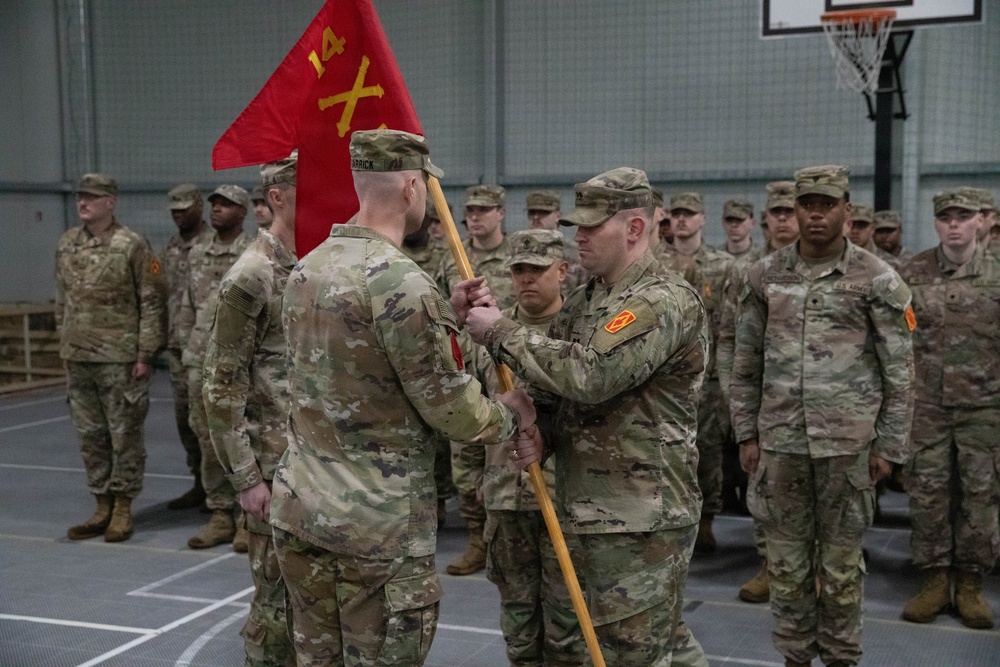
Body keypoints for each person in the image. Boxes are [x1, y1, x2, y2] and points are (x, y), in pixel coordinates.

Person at [269, 129, 534, 666]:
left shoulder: (308, 265)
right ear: (413, 188)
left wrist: (447, 321)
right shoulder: (401, 282)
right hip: (375, 528)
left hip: (302, 510)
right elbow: (450, 408)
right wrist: (510, 417)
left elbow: (363, 362)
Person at [460, 167, 708, 666]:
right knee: (644, 647)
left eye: (593, 226)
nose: (580, 237)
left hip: (640, 519)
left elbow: (592, 378)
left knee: (636, 655)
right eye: (578, 226)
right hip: (590, 510)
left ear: (635, 228)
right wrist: (541, 432)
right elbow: (561, 399)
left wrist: (501, 333)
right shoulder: (585, 302)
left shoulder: (659, 301)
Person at [731, 165, 915, 667]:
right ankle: (794, 657)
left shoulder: (875, 279)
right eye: (806, 204)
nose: (815, 214)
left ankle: (840, 658)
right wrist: (746, 433)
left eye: (826, 204)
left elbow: (899, 372)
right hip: (781, 446)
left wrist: (889, 447)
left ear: (845, 211)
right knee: (786, 566)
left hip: (848, 449)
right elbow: (745, 364)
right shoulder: (764, 276)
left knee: (839, 568)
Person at [461, 229, 586, 666]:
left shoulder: (578, 333)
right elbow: (468, 408)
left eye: (538, 269)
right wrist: (472, 478)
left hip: (564, 497)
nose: (527, 279)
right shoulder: (486, 333)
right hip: (504, 496)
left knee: (567, 624)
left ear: (563, 271)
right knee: (517, 621)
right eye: (519, 270)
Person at [202, 154, 298, 666]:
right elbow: (220, 385)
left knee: (315, 614)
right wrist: (245, 478)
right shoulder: (253, 273)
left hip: (320, 470)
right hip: (273, 471)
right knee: (276, 612)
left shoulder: (321, 265)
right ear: (277, 197)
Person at [899, 188, 999, 630]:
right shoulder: (912, 273)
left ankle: (972, 583)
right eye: (946, 217)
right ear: (936, 223)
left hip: (986, 408)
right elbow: (897, 336)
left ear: (982, 221)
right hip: (927, 406)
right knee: (928, 494)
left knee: (980, 497)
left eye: (964, 216)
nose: (954, 224)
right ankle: (935, 580)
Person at [57, 173, 167, 543]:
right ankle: (101, 503)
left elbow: (151, 301)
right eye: (80, 197)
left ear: (111, 203)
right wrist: (64, 345)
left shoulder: (131, 244)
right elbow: (63, 300)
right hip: (78, 356)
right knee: (90, 435)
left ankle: (122, 505)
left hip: (119, 358)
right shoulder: (67, 244)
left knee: (124, 435)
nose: (83, 203)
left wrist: (145, 353)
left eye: (91, 197)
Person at [717, 180, 800, 605]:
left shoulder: (823, 267)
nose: (784, 219)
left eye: (790, 211)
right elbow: (729, 339)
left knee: (817, 494)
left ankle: (816, 572)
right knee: (765, 490)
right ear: (765, 218)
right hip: (766, 402)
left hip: (819, 406)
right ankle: (772, 565)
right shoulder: (747, 271)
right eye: (777, 212)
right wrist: (737, 405)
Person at [439, 184, 517, 576]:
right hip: (463, 371)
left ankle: (501, 537)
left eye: (484, 209)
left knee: (505, 457)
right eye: (471, 209)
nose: (475, 216)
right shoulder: (449, 256)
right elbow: (438, 312)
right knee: (464, 458)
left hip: (502, 368)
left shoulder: (515, 258)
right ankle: (476, 539)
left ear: (501, 213)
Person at [180, 184, 252, 550]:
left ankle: (247, 516)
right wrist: (184, 352)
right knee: (206, 438)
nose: (218, 210)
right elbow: (188, 306)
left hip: (238, 363)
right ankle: (220, 513)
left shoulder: (254, 253)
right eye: (214, 204)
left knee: (242, 437)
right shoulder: (197, 253)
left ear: (244, 212)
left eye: (227, 204)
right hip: (199, 357)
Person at [662, 191, 734, 553]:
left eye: (689, 214)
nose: (681, 220)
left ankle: (706, 519)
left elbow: (730, 325)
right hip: (663, 378)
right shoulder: (657, 262)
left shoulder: (722, 266)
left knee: (706, 452)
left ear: (703, 219)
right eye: (676, 214)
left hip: (709, 377)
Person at [401, 198, 456, 525]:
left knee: (441, 438)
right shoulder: (391, 253)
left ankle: (439, 501)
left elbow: (452, 302)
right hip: (400, 353)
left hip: (436, 354)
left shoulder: (444, 257)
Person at [162, 183, 212, 510]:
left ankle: (223, 493)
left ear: (199, 206)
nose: (180, 215)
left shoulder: (214, 244)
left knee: (211, 423)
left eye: (185, 208)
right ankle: (200, 483)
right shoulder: (170, 248)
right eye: (174, 210)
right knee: (186, 421)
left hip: (207, 347)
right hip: (178, 348)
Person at [527, 189, 587, 292]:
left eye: (543, 212)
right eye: (532, 212)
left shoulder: (576, 254)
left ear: (558, 216)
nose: (536, 217)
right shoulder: (520, 252)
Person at [846, 204, 900, 268]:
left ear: (872, 229)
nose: (855, 231)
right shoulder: (835, 260)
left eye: (862, 225)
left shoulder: (888, 263)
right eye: (850, 225)